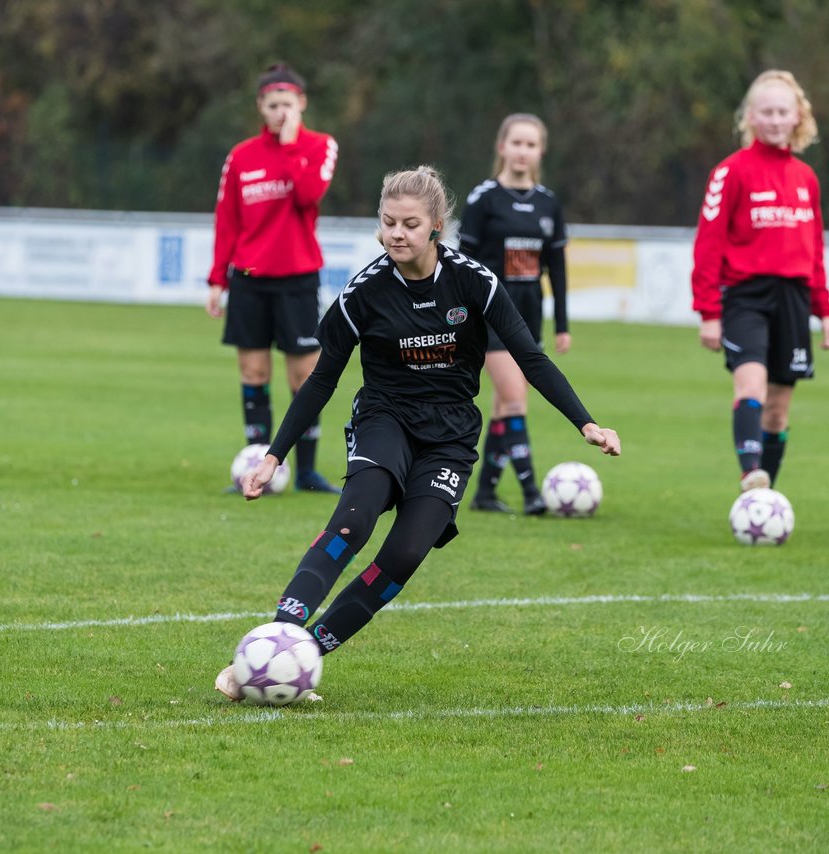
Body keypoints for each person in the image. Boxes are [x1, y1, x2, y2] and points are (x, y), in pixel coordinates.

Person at [215, 166, 620, 701]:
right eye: (388, 223)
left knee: (405, 554)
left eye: (410, 223)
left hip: (450, 436)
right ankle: (269, 647)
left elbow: (531, 358)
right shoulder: (362, 295)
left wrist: (585, 422)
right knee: (352, 523)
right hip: (384, 419)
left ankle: (303, 655)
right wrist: (273, 456)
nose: (397, 234)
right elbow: (320, 381)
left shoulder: (475, 281)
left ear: (436, 226)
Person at [691, 69, 829, 493]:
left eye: (782, 112)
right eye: (766, 112)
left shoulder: (806, 178)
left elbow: (815, 249)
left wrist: (824, 308)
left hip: (792, 298)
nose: (775, 120)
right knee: (750, 383)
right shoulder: (730, 172)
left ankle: (764, 497)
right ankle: (749, 474)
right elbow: (708, 244)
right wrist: (708, 312)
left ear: (798, 118)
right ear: (750, 117)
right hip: (745, 297)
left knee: (777, 411)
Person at [206, 62, 342, 494]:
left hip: (298, 278)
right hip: (248, 278)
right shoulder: (241, 156)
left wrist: (289, 148)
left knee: (304, 378)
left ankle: (305, 471)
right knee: (253, 373)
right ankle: (256, 468)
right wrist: (216, 280)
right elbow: (226, 221)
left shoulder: (320, 147)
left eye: (287, 103)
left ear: (301, 104)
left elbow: (308, 196)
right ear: (260, 107)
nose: (280, 111)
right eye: (272, 104)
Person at [458, 113, 571, 515]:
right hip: (488, 316)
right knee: (515, 397)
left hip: (528, 314)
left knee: (504, 405)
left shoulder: (547, 203)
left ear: (540, 151)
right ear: (502, 147)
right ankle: (531, 492)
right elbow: (462, 262)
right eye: (516, 143)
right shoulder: (483, 198)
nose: (523, 151)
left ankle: (486, 492)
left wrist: (562, 325)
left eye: (531, 144)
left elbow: (556, 267)